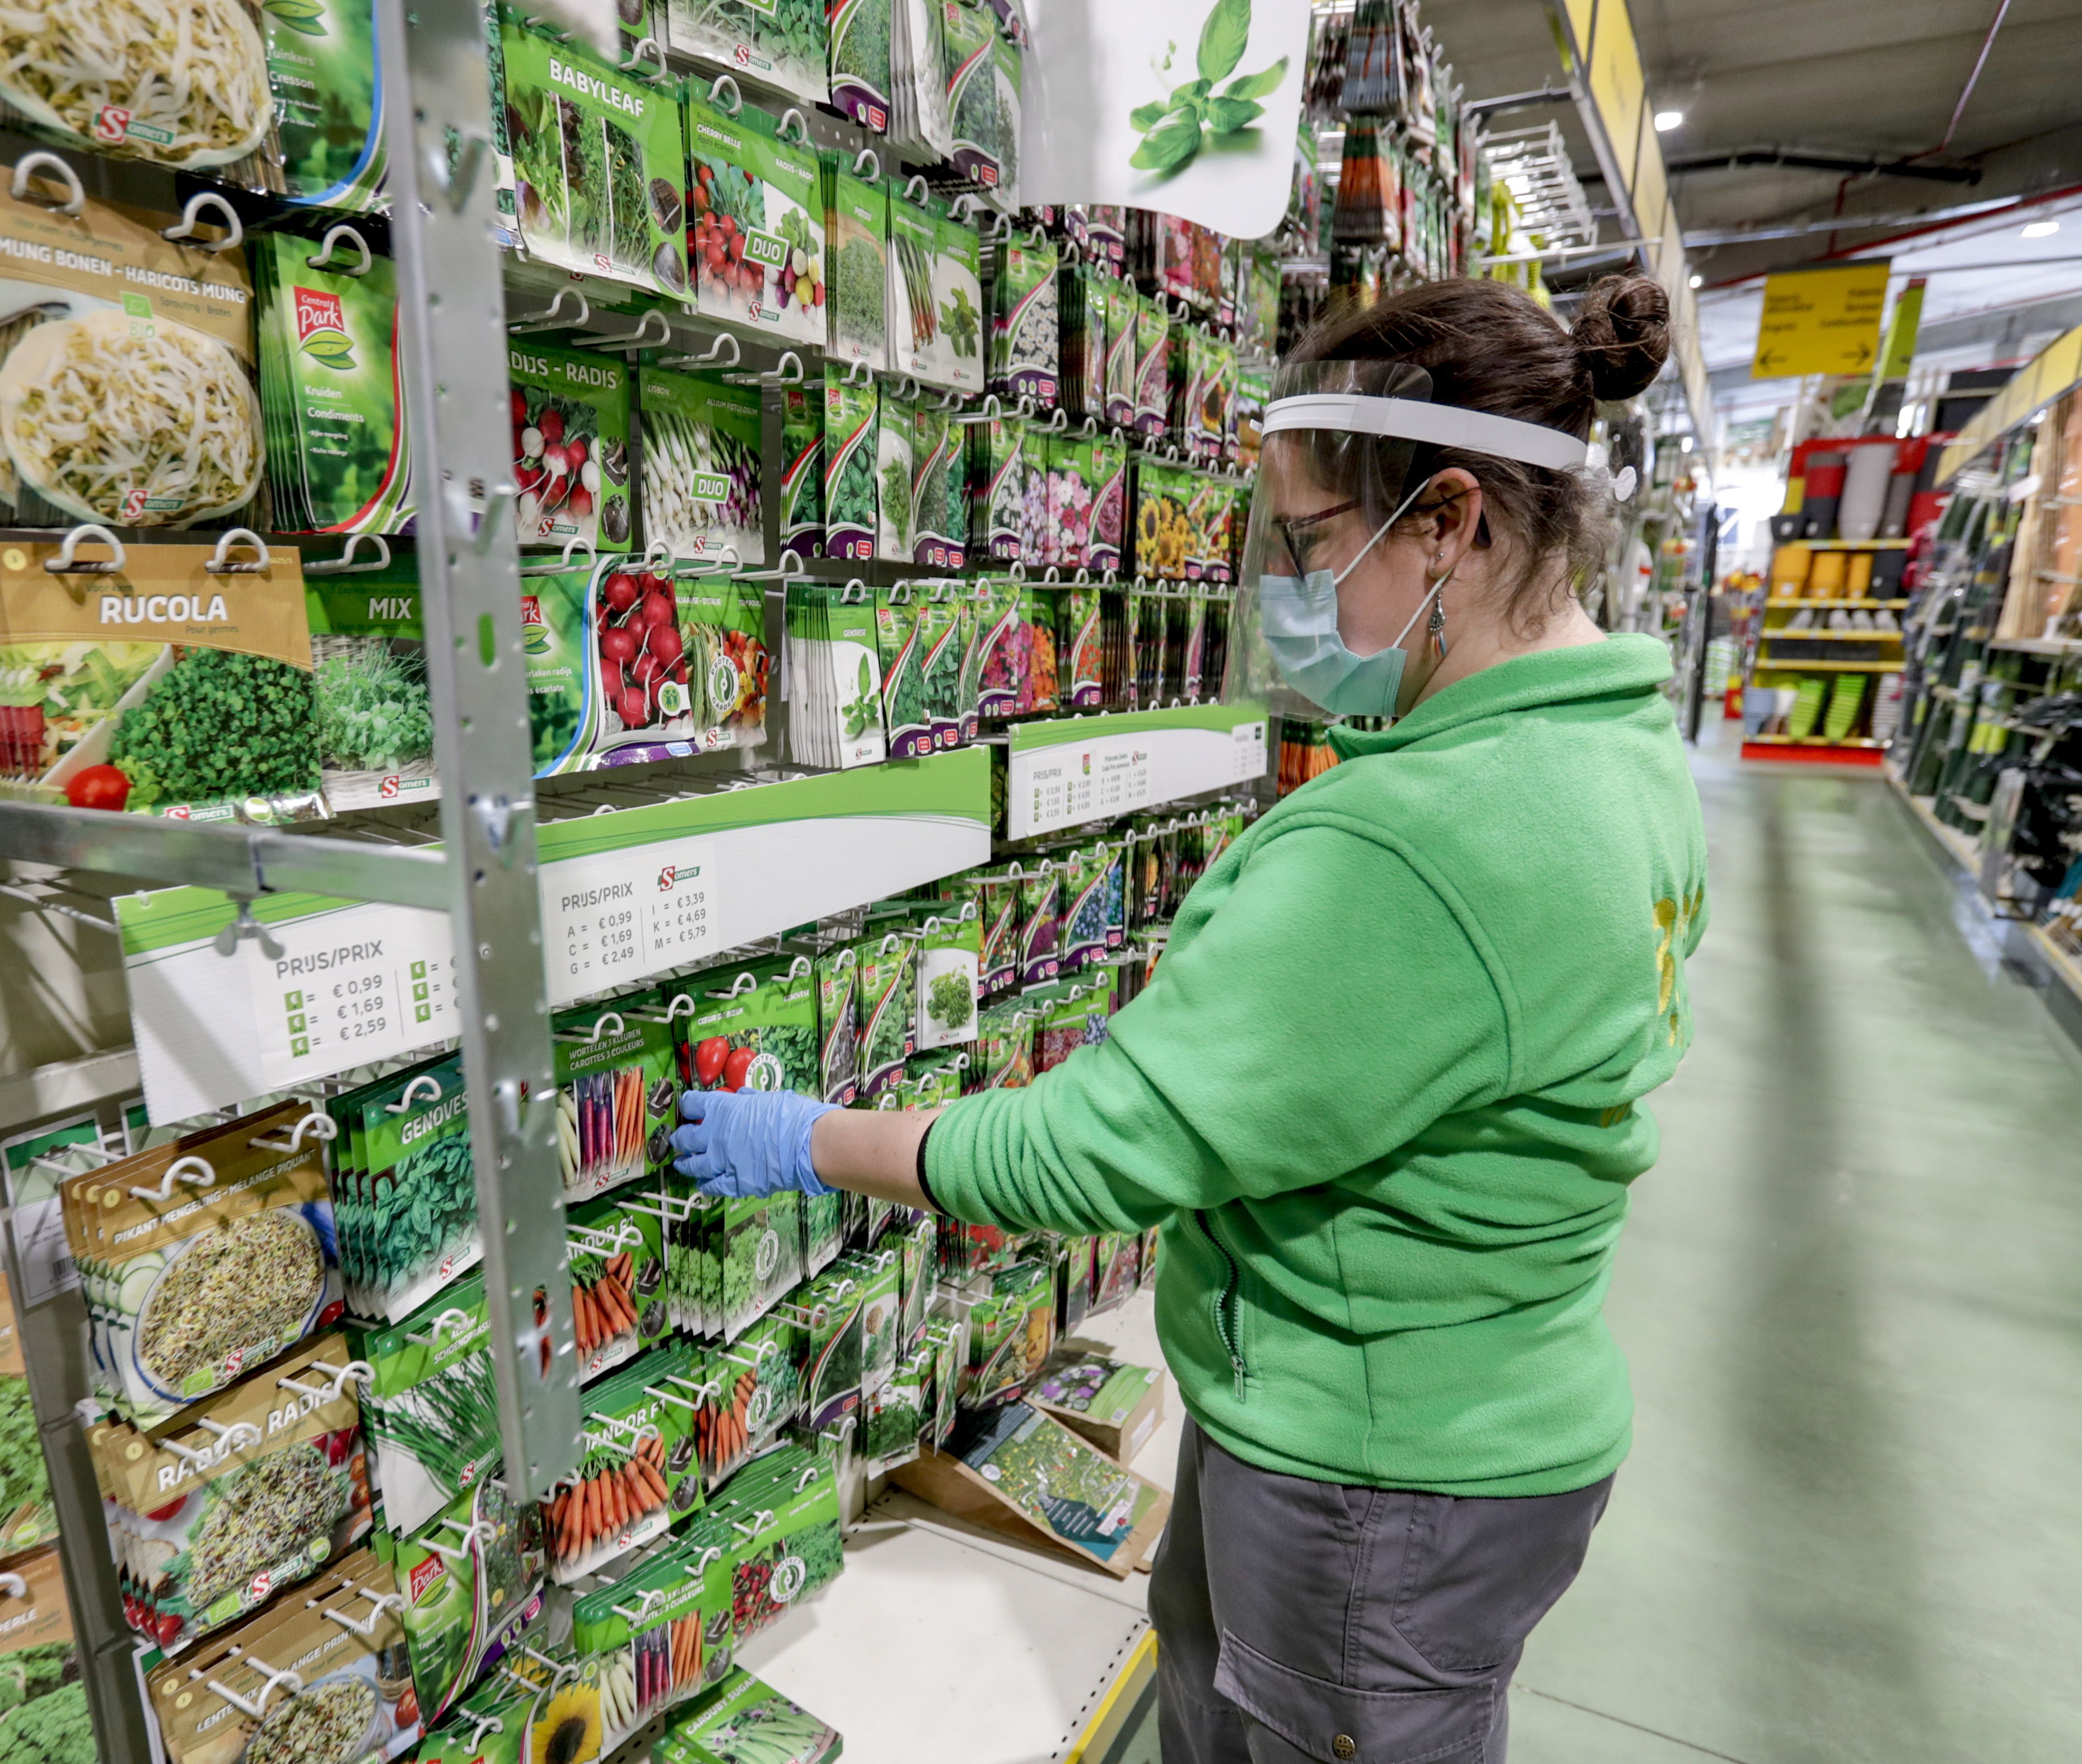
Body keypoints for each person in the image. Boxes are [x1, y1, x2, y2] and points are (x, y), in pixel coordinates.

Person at [671, 275, 1703, 1764]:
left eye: (1306, 544)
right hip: (1475, 1421)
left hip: (1375, 1475)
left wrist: (810, 1137)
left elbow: (1088, 1159)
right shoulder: (1615, 746)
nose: (1285, 593)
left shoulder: (1429, 836)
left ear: (1449, 524)